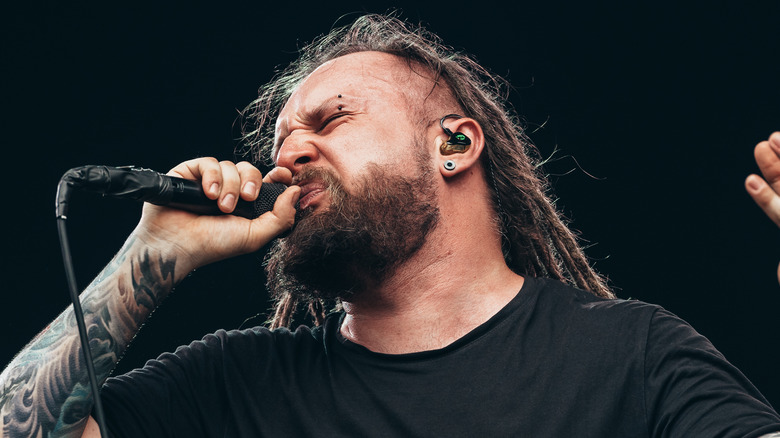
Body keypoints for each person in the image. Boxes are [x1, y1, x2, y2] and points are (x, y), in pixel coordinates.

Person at [1, 13, 779, 437]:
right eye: (277, 143)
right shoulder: (234, 383)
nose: (290, 151)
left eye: (331, 120)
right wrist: (151, 255)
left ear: (454, 144)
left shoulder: (630, 356)